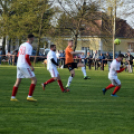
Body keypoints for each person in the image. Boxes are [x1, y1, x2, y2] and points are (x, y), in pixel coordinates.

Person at [10, 34, 37, 102]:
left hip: (19, 64)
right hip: (24, 65)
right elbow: (27, 57)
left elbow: (18, 54)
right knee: (34, 80)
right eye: (33, 38)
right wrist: (31, 66)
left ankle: (13, 97)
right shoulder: (29, 46)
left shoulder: (22, 45)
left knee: (18, 81)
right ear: (31, 38)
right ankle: (29, 96)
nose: (34, 39)